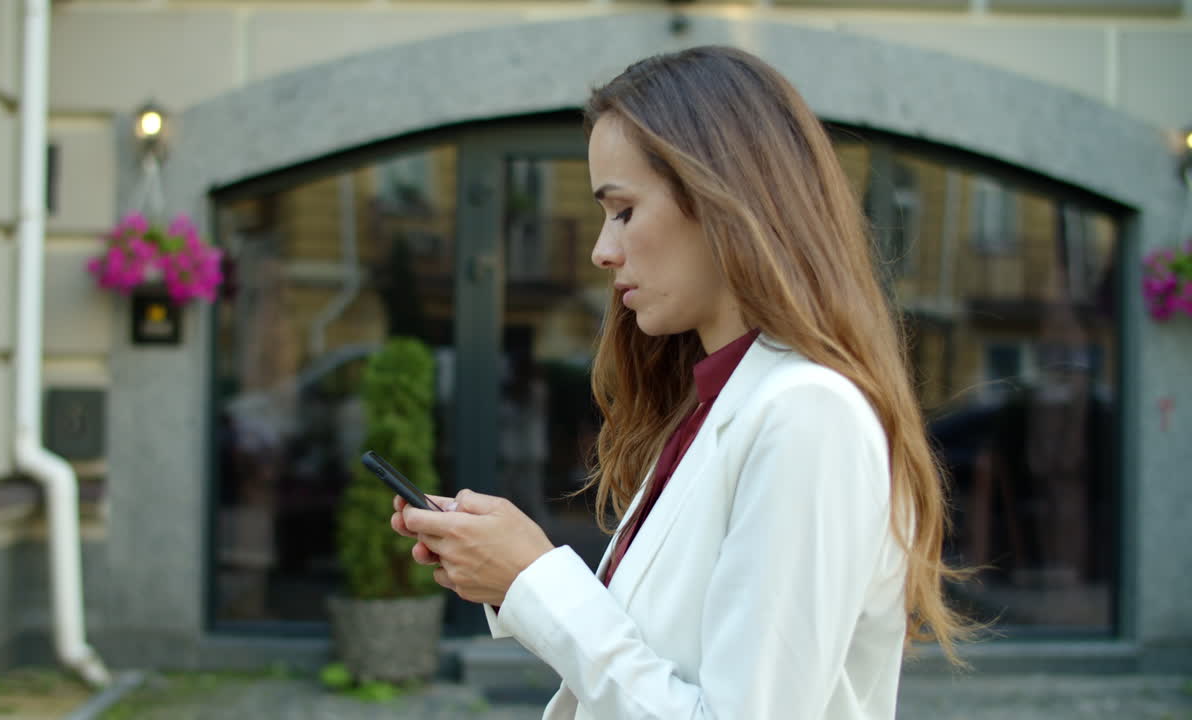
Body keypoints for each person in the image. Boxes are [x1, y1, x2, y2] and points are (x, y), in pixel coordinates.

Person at [391, 45, 971, 719]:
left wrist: (533, 577)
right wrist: (510, 575)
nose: (602, 250)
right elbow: (649, 662)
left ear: (723, 199)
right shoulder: (715, 404)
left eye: (624, 210)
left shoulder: (808, 415)